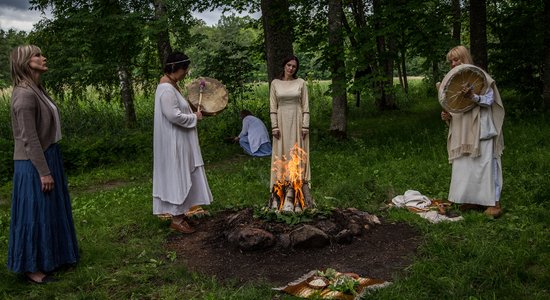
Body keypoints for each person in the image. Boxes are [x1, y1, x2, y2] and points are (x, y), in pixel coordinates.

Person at [7, 45, 79, 283]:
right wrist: (43, 171)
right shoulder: (24, 94)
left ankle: (54, 257)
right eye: (37, 55)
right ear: (26, 62)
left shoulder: (37, 89)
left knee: (50, 210)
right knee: (35, 214)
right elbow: (29, 138)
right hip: (33, 163)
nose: (43, 57)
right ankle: (32, 268)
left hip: (49, 155)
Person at [440, 45, 505, 217]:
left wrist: (473, 96)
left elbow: (489, 101)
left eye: (457, 59)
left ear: (465, 58)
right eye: (451, 61)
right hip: (464, 130)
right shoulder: (453, 81)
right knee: (466, 166)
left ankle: (494, 203)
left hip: (481, 128)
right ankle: (472, 200)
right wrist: (448, 116)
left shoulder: (480, 76)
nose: (454, 63)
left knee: (486, 164)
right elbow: (458, 109)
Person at [153, 51, 213, 233]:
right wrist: (194, 117)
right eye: (184, 69)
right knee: (177, 174)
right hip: (174, 141)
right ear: (174, 68)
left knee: (183, 173)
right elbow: (173, 115)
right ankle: (176, 219)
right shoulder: (165, 89)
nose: (186, 73)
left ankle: (181, 213)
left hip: (179, 138)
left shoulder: (172, 86)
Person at [269, 55, 310, 211]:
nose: (291, 68)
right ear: (284, 66)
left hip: (297, 121)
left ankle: (296, 190)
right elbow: (273, 106)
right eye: (288, 65)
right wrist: (274, 126)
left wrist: (305, 126)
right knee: (282, 153)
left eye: (294, 66)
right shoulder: (275, 84)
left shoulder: (301, 83)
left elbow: (305, 105)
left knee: (296, 154)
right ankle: (280, 190)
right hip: (281, 121)